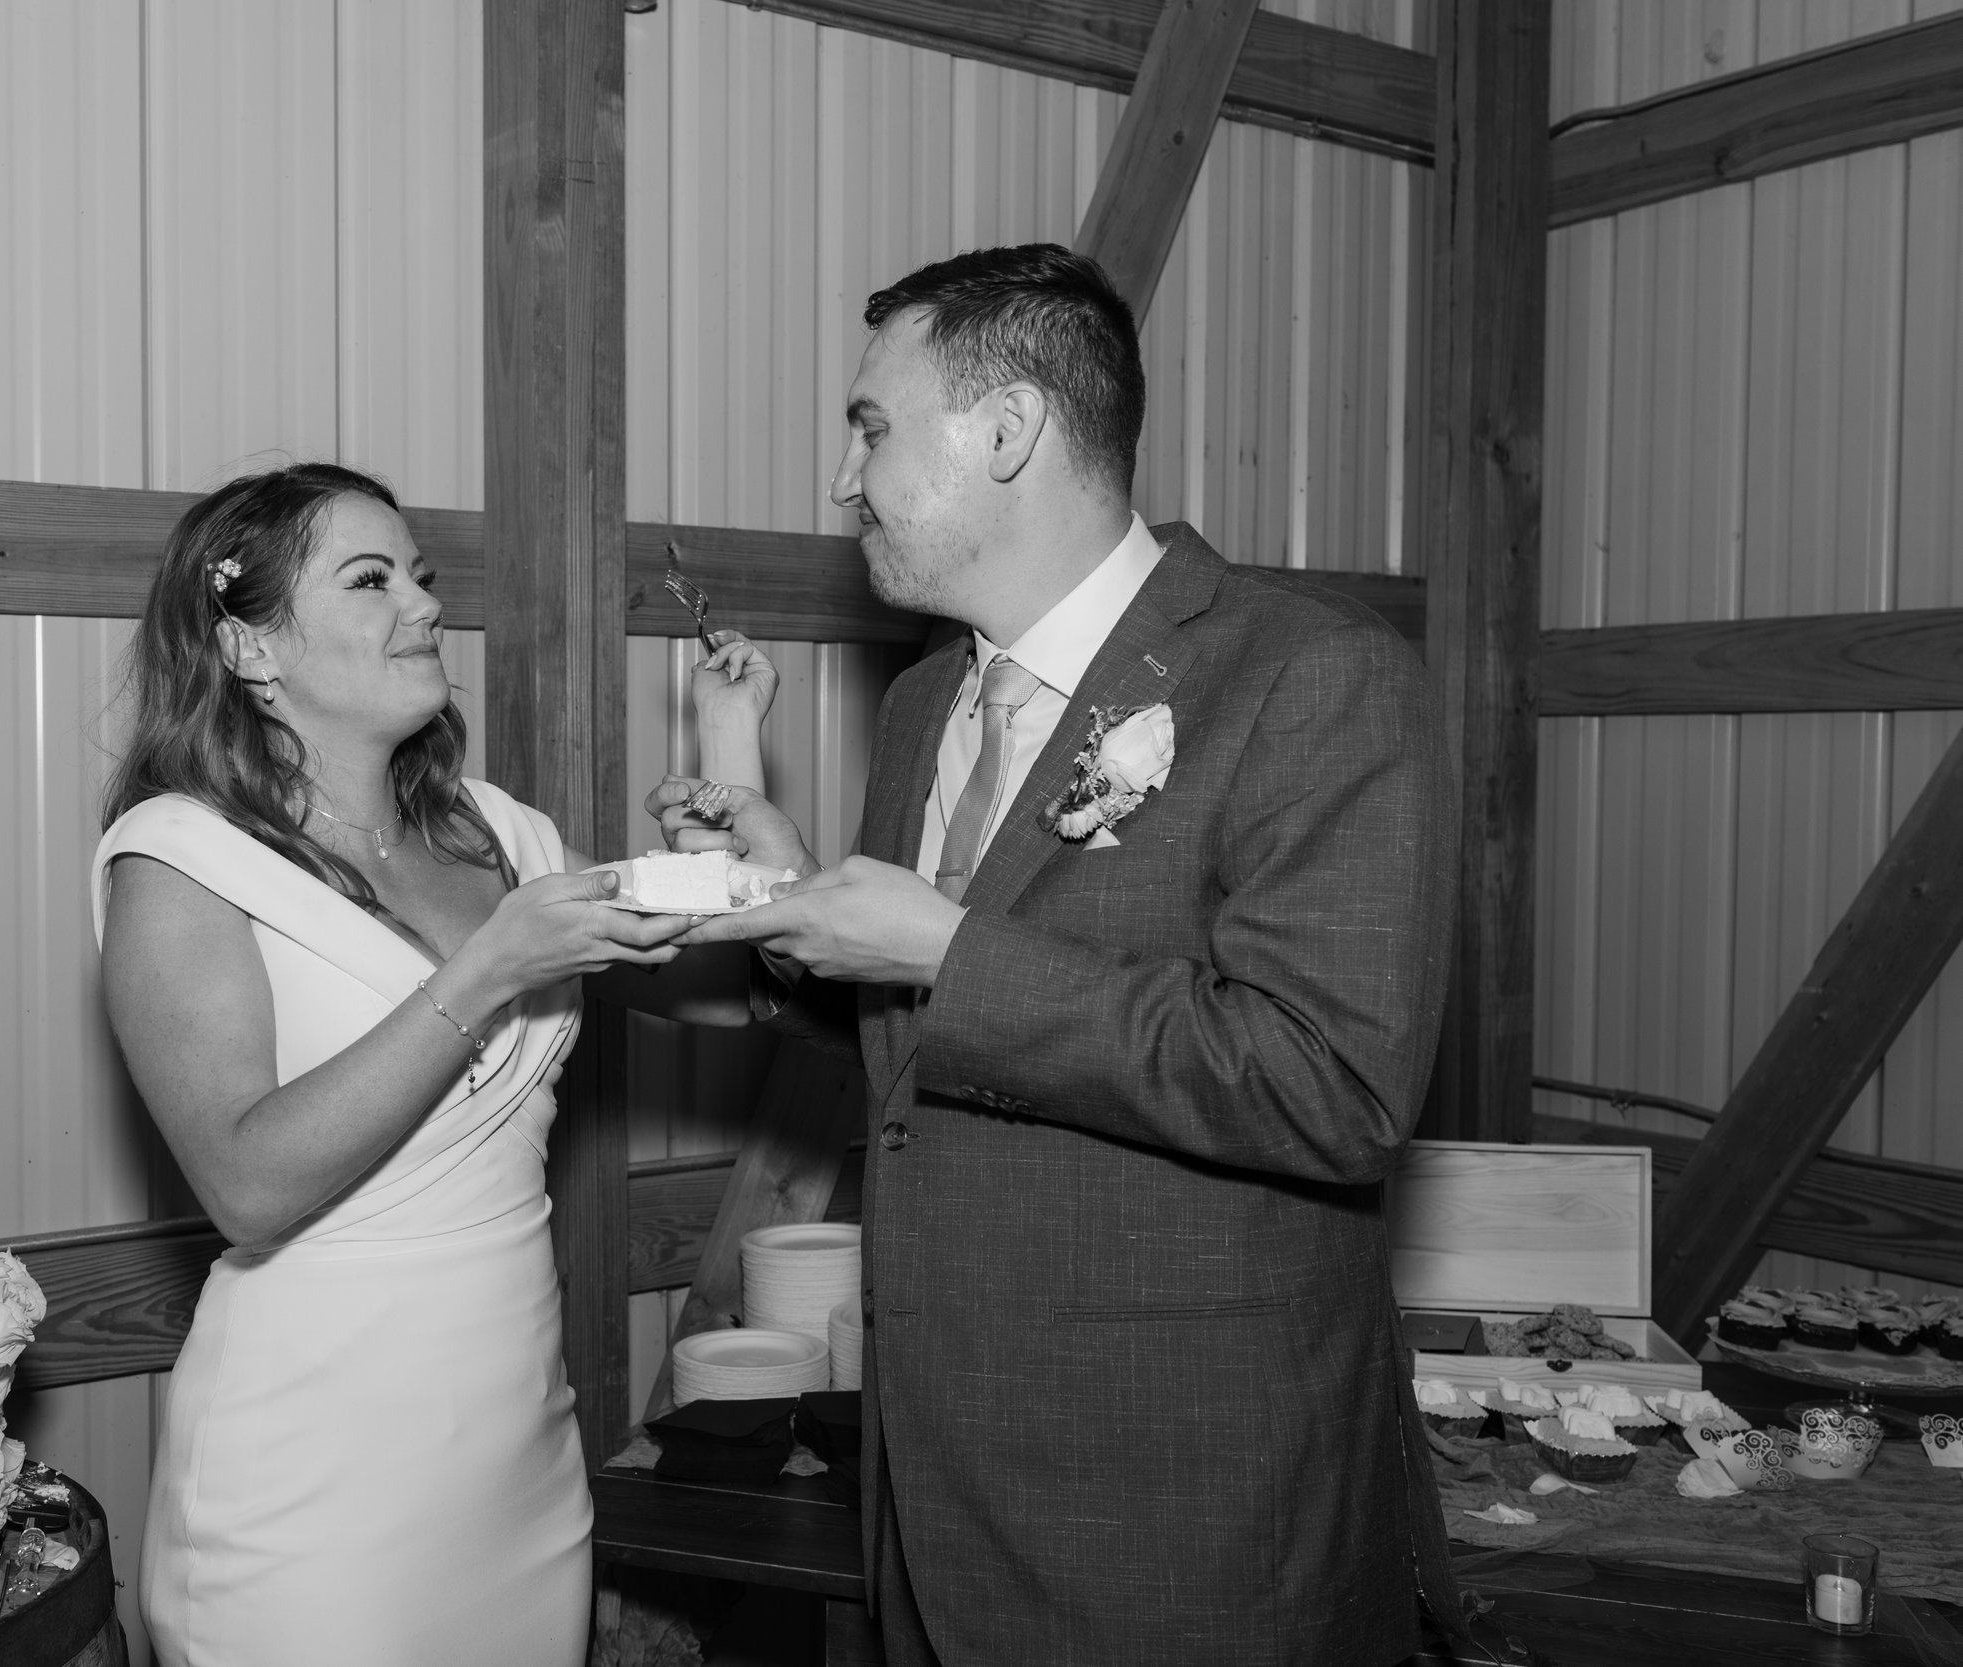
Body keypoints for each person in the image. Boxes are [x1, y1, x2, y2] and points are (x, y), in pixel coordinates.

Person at [657, 245, 1461, 1665]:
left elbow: (1333, 1082)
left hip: (1181, 1516)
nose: (844, 481)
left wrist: (949, 947)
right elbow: (918, 1074)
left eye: (870, 427)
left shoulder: (1308, 677)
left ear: (1010, 429)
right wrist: (794, 916)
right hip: (930, 1489)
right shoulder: (921, 704)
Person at [93, 462, 772, 1667]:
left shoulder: (502, 833)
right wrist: (483, 971)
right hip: (313, 1470)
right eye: (369, 579)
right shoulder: (177, 860)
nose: (420, 605)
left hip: (517, 1444)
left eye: (420, 575)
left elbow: (733, 1005)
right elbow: (246, 1183)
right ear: (249, 647)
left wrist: (729, 763)